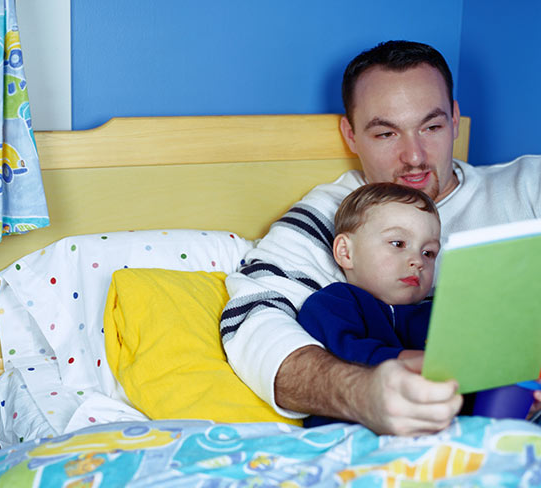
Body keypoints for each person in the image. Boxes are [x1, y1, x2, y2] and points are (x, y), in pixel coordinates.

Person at [220, 40, 541, 436]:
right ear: (350, 134)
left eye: (432, 126)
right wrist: (360, 392)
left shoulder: (529, 186)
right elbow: (251, 320)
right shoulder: (335, 216)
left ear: (456, 119)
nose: (415, 157)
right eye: (386, 134)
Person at [299, 183, 440, 425]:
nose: (417, 260)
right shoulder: (333, 303)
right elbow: (344, 358)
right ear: (346, 252)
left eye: (428, 253)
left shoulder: (437, 314)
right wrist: (416, 361)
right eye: (398, 244)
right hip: (349, 432)